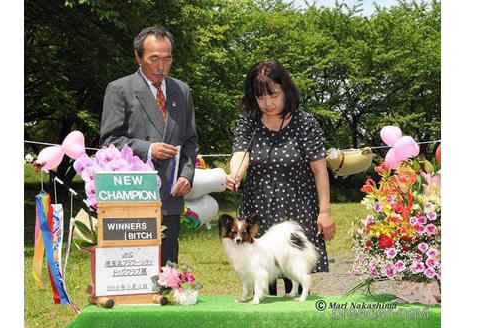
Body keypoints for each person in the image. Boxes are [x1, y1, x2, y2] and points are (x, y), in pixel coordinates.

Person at [225, 59, 335, 295]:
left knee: (294, 279)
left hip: (298, 211)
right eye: (261, 97)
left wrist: (324, 212)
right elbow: (241, 154)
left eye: (273, 95)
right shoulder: (248, 122)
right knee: (261, 279)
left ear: (286, 90)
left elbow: (319, 169)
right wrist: (235, 173)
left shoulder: (304, 123)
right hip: (258, 210)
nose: (267, 103)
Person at [100, 26, 198, 265]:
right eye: (154, 58)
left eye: (167, 58)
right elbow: (109, 142)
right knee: (135, 269)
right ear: (138, 56)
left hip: (170, 196)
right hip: (133, 197)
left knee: (167, 270)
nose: (161, 66)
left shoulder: (182, 91)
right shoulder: (119, 89)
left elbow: (190, 142)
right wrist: (148, 149)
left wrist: (186, 175)